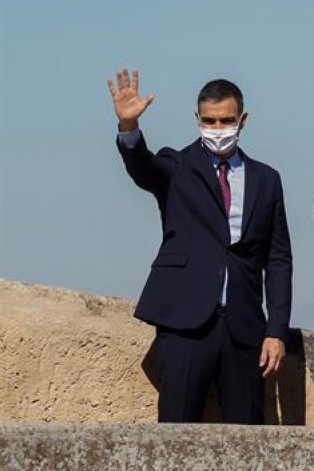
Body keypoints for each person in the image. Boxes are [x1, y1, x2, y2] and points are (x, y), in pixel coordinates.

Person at [110, 68, 292, 424]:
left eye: (226, 120)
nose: (218, 128)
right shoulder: (176, 166)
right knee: (176, 431)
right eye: (209, 121)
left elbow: (279, 258)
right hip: (185, 323)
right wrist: (129, 128)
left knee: (247, 440)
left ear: (243, 120)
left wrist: (276, 331)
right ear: (197, 119)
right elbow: (142, 168)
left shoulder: (267, 179)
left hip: (244, 328)